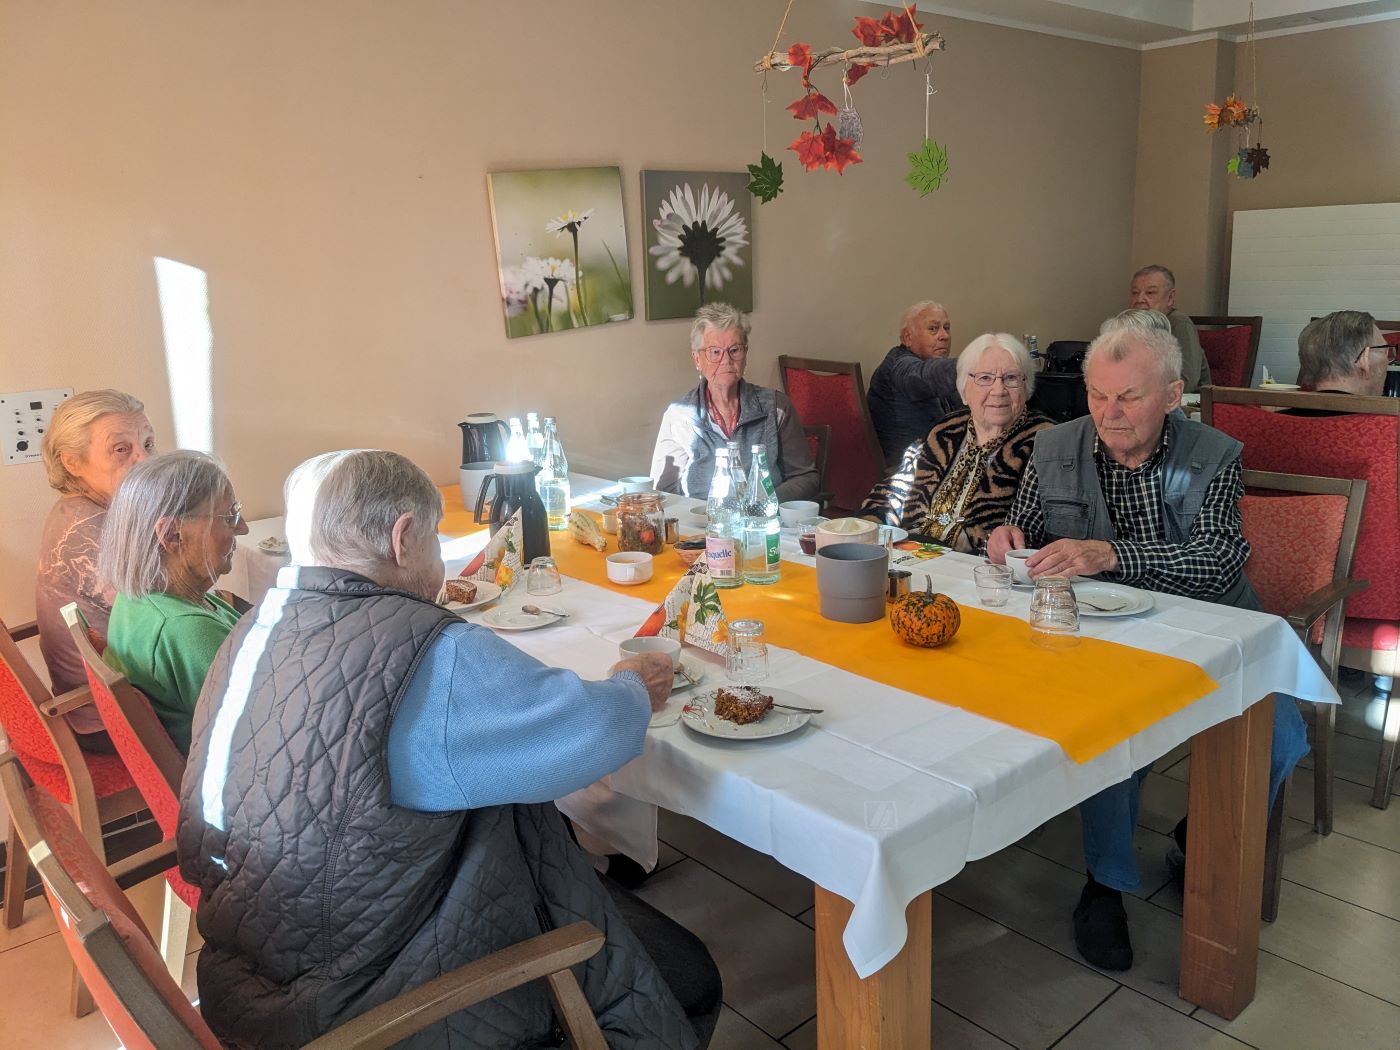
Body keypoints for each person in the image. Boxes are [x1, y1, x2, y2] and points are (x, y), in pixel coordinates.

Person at [177, 450, 719, 1049]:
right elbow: (591, 736)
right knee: (688, 980)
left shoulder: (252, 627)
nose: (441, 557)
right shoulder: (434, 653)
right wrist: (632, 685)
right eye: (436, 536)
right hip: (367, 1004)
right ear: (402, 537)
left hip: (260, 967)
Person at [986, 326, 1309, 972]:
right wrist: (1007, 543)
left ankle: (1202, 839)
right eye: (1097, 396)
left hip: (1214, 627)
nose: (1108, 414)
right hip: (1104, 636)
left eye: (1128, 398)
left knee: (1279, 736)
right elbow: (1026, 535)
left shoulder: (1214, 454)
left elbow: (1219, 562)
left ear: (1171, 395)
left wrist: (1110, 554)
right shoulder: (1055, 447)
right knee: (1113, 734)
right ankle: (1104, 886)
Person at [98, 451, 247, 755]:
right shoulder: (187, 630)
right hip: (230, 779)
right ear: (172, 535)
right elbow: (262, 729)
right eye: (228, 516)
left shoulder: (136, 597)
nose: (242, 527)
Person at [35, 389, 156, 752]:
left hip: (107, 695)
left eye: (148, 444)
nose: (144, 459)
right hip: (113, 716)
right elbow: (165, 623)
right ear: (72, 462)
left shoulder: (77, 509)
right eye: (121, 449)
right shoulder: (91, 531)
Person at [859, 334, 1053, 552]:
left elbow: (1026, 529)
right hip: (911, 552)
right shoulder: (946, 429)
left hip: (980, 567)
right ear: (963, 390)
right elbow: (898, 486)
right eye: (985, 378)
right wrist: (870, 522)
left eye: (1011, 378)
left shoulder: (1045, 441)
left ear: (1026, 388)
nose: (998, 391)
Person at [649, 302, 818, 501]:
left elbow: (806, 477)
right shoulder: (679, 416)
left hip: (763, 523)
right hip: (701, 525)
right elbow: (663, 492)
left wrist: (763, 500)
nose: (726, 360)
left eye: (734, 350)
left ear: (745, 354)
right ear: (697, 359)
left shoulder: (776, 407)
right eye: (715, 352)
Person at [866, 300, 962, 463]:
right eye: (933, 328)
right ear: (908, 338)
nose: (944, 336)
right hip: (910, 473)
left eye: (946, 328)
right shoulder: (899, 364)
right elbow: (923, 376)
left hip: (944, 462)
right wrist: (975, 363)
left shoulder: (936, 365)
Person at [1128, 264, 1211, 392]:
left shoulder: (1179, 324)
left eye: (1150, 293)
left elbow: (1185, 383)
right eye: (1135, 293)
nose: (1139, 299)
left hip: (1183, 407)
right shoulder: (1129, 326)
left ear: (1170, 298)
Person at [1293, 310, 1393, 405]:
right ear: (1364, 360)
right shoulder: (1391, 422)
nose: (1387, 361)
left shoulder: (1279, 417)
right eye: (1385, 351)